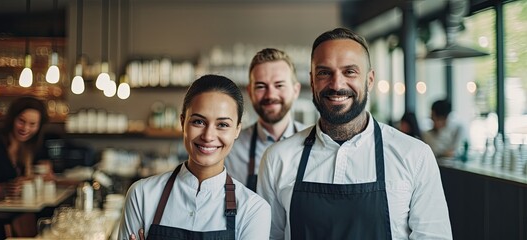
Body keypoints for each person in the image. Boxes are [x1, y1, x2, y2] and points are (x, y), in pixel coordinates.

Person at [257, 27, 452, 239]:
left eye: (349, 71)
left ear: (369, 80)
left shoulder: (415, 156)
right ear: (312, 80)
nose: (337, 84)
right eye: (324, 72)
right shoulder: (277, 158)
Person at [119, 75, 271, 240]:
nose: (208, 136)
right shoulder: (141, 195)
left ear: (237, 130)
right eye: (199, 122)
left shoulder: (254, 209)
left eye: (223, 125)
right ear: (182, 122)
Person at [225, 48, 306, 191]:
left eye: (279, 85)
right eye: (261, 86)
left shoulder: (314, 143)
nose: (270, 95)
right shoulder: (231, 149)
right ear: (250, 92)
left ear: (295, 90)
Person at [0, 96, 50, 239]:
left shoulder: (29, 147)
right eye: (21, 121)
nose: (25, 128)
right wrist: (2, 189)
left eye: (32, 124)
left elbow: (29, 177)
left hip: (15, 219)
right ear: (12, 118)